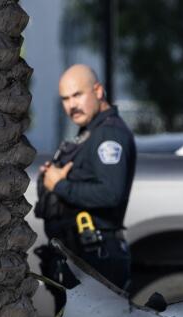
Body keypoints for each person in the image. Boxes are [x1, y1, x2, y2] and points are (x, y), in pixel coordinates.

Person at [35, 64, 137, 292]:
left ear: (98, 91)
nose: (72, 105)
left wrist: (60, 185)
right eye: (65, 99)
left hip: (96, 256)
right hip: (78, 255)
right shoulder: (90, 132)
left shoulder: (109, 134)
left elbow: (111, 193)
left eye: (77, 95)